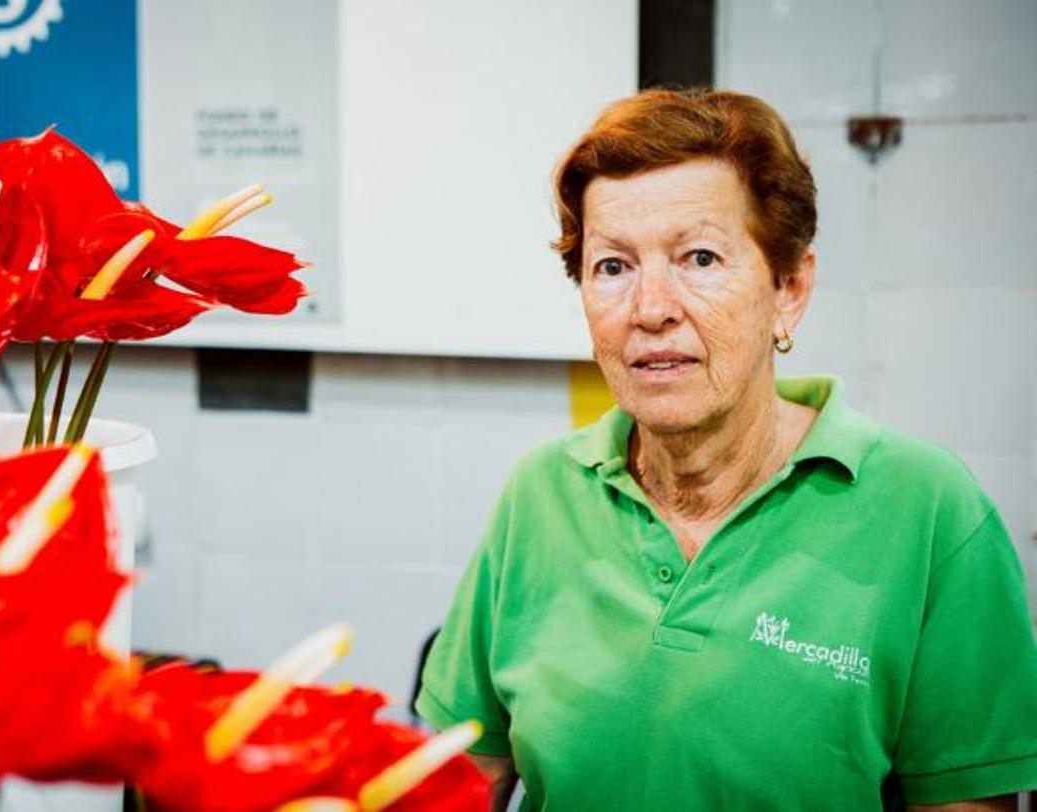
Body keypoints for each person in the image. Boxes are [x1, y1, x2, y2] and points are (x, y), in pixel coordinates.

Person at [414, 89, 1037, 811]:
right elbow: (456, 786)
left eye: (700, 258)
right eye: (613, 266)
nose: (651, 309)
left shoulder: (927, 510)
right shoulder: (541, 492)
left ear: (788, 290)